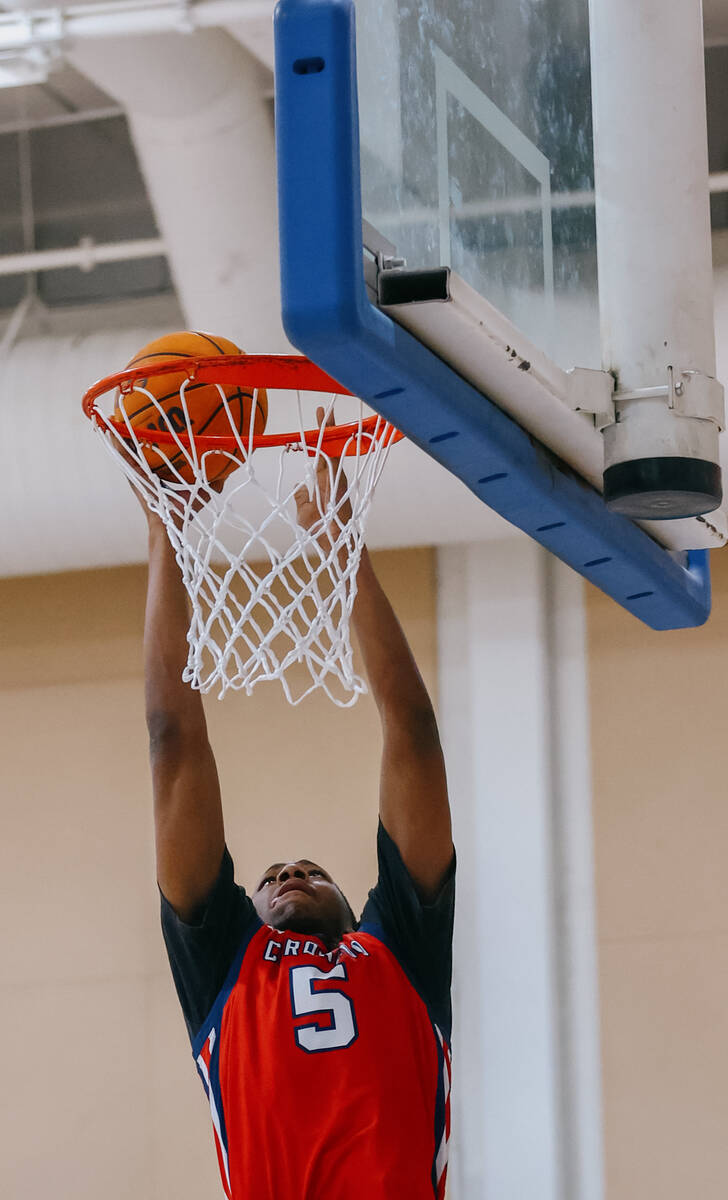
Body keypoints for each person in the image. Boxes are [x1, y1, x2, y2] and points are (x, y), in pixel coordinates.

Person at [139, 433, 455, 1200]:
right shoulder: (228, 970)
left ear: (356, 911)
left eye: (308, 871)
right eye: (281, 874)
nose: (290, 872)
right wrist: (166, 536)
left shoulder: (398, 951)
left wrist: (349, 562)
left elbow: (412, 730)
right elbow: (173, 742)